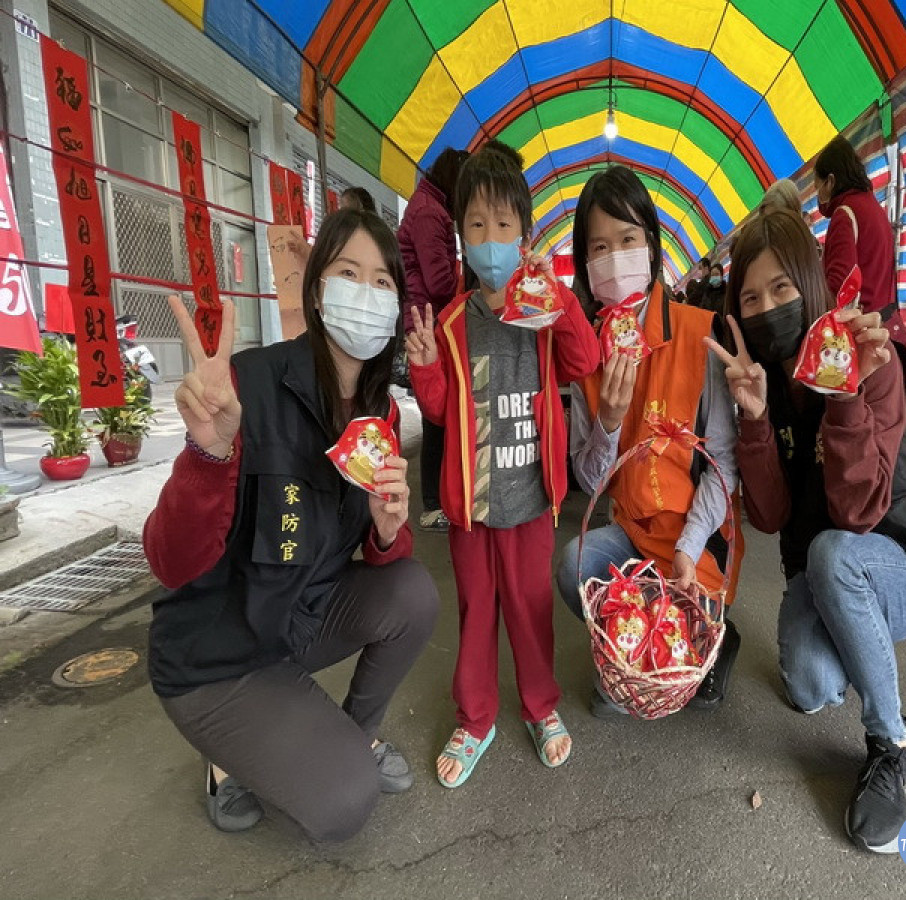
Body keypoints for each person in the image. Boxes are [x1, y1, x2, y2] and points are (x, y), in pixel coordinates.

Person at [144, 208, 439, 842]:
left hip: (293, 622)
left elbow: (370, 543)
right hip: (216, 657)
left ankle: (352, 737)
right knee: (344, 804)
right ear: (317, 288)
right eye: (348, 272)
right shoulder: (248, 386)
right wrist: (207, 456)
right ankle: (227, 758)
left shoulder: (377, 408)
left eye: (383, 282)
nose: (366, 294)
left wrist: (388, 531)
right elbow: (169, 561)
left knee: (414, 592)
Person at [705, 205, 906, 853]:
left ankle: (892, 746)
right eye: (752, 296)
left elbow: (856, 515)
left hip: (898, 570)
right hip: (820, 572)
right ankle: (855, 641)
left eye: (782, 289)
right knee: (809, 688)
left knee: (833, 550)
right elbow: (768, 516)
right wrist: (757, 420)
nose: (767, 309)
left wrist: (844, 395)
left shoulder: (872, 362)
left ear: (811, 283)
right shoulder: (767, 382)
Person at [405, 142, 600, 788]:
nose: (491, 238)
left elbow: (586, 361)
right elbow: (437, 410)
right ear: (461, 235)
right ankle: (476, 717)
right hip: (473, 510)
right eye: (477, 226)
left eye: (504, 224)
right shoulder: (455, 321)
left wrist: (563, 302)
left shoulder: (542, 313)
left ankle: (541, 707)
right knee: (477, 609)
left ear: (526, 232)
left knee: (530, 606)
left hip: (530, 504)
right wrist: (426, 361)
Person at [555, 165, 743, 714]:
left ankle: (714, 635)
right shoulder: (584, 354)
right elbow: (587, 483)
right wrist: (609, 422)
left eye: (628, 240)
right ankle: (639, 645)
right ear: (586, 266)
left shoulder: (695, 330)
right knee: (572, 565)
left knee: (696, 642)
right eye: (598, 247)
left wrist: (688, 546)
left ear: (653, 247)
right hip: (631, 535)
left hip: (696, 535)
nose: (614, 258)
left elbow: (723, 462)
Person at [397, 146, 469, 532]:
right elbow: (439, 280)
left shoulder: (428, 204)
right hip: (427, 323)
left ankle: (435, 500)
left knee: (438, 414)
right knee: (435, 416)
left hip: (429, 320)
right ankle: (431, 504)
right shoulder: (429, 212)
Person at [813, 135, 906, 370]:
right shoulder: (875, 209)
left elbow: (839, 284)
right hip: (888, 331)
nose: (818, 196)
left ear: (831, 181)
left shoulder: (844, 214)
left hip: (863, 340)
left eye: (818, 187)